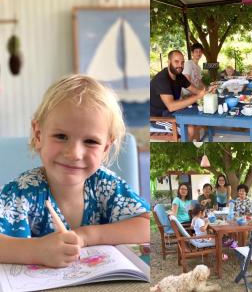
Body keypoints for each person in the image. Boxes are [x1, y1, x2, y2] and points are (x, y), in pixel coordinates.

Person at [0, 74, 150, 268]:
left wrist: (86, 236)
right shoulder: (21, 192)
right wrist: (36, 250)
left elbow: (146, 226)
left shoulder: (106, 185)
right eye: (61, 136)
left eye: (90, 141)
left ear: (105, 148)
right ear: (39, 135)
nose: (74, 154)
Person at [150, 50, 214, 141]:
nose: (180, 65)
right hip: (157, 117)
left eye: (182, 62)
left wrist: (208, 91)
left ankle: (196, 144)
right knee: (189, 129)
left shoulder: (179, 76)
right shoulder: (162, 79)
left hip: (171, 112)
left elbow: (196, 91)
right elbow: (171, 106)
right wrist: (198, 96)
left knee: (200, 119)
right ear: (169, 62)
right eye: (176, 61)